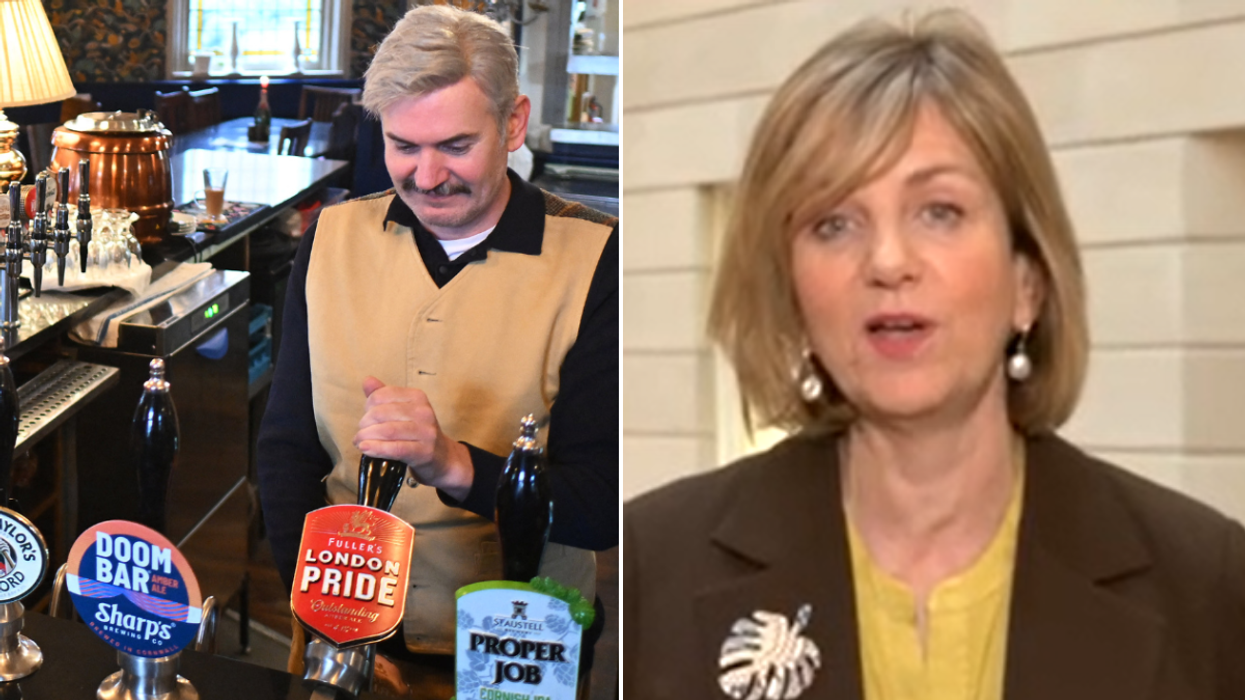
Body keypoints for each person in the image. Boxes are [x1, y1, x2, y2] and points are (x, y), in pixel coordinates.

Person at [624, 9, 1245, 699]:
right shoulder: (649, 567)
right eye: (834, 223)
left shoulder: (1206, 582)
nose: (887, 261)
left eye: (939, 211)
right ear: (792, 294)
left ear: (1026, 282)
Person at [257, 3, 618, 670]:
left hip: (522, 643)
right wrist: (317, 603)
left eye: (455, 146)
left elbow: (600, 507)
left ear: (513, 124)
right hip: (345, 632)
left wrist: (453, 463)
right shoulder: (332, 240)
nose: (426, 178)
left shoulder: (598, 260)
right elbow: (286, 450)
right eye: (403, 146)